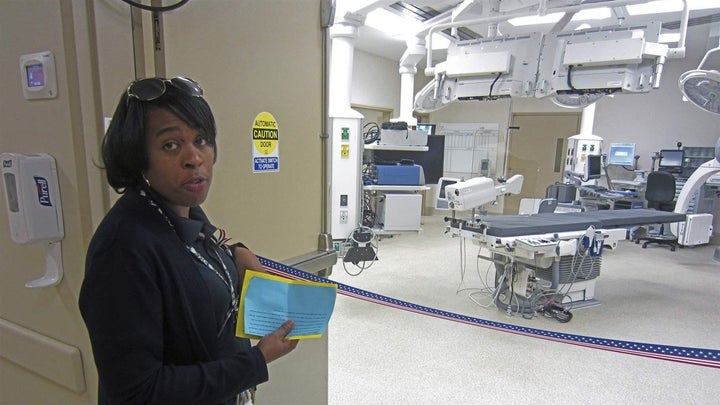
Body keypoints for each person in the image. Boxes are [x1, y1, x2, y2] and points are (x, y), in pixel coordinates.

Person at [79, 76, 298, 404]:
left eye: (202, 140)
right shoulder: (122, 249)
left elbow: (191, 259)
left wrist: (237, 254)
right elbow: (137, 392)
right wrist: (255, 361)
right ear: (139, 156)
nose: (194, 158)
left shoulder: (184, 211)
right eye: (170, 144)